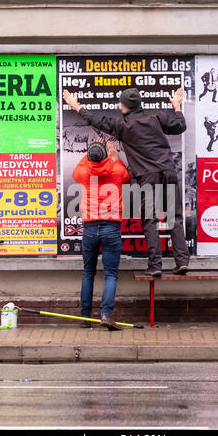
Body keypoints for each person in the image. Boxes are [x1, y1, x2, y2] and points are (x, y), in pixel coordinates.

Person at [63, 87, 190, 276]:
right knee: (174, 217)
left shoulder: (122, 124)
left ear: (123, 106)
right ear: (139, 104)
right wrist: (177, 106)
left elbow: (95, 120)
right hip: (168, 171)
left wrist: (75, 106)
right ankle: (182, 262)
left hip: (147, 177)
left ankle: (155, 266)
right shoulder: (156, 117)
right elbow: (180, 126)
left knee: (150, 219)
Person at [72, 138, 130, 330]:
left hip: (89, 228)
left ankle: (85, 316)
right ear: (105, 157)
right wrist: (114, 156)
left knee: (88, 272)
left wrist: (92, 150)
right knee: (110, 274)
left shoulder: (82, 172)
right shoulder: (118, 170)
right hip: (111, 228)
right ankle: (106, 315)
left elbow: (83, 164)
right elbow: (127, 177)